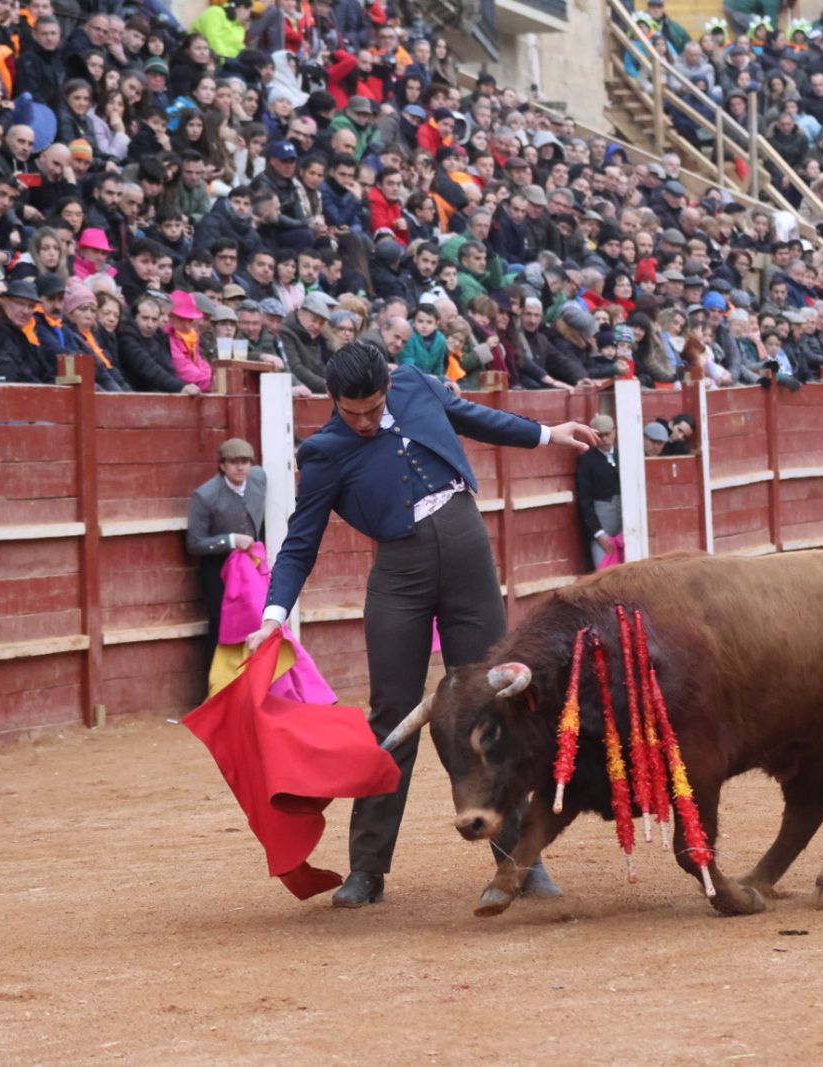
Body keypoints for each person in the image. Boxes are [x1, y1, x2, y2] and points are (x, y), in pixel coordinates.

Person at [242, 342, 600, 908]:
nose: (361, 422)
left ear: (386, 385)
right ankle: (367, 869)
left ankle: (519, 862)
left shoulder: (413, 384)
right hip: (399, 575)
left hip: (467, 555)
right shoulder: (324, 451)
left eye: (371, 409)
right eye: (349, 412)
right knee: (391, 712)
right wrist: (272, 616)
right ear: (332, 399)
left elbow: (478, 418)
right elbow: (300, 542)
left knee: (491, 702)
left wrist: (547, 434)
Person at [185, 437, 267, 650]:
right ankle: (220, 681)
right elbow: (194, 543)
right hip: (219, 569)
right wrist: (230, 540)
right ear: (222, 465)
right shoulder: (206, 495)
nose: (240, 467)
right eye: (233, 462)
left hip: (252, 564)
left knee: (260, 617)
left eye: (245, 461)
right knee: (221, 624)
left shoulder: (259, 478)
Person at [575, 413, 621, 570]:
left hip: (627, 527)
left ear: (614, 432)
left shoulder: (623, 455)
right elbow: (584, 502)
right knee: (604, 574)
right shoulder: (586, 461)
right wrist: (598, 533)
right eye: (600, 435)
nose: (605, 439)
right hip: (602, 527)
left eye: (608, 434)